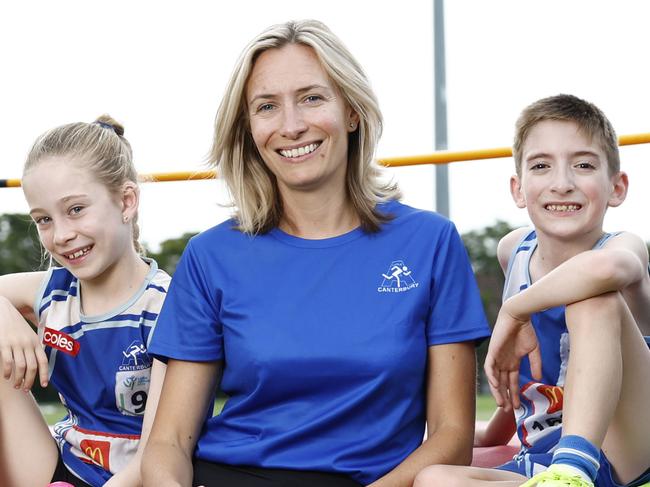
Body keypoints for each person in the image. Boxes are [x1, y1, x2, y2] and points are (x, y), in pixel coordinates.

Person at [141, 19, 490, 487]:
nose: (291, 125)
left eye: (312, 98)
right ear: (249, 128)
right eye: (267, 106)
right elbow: (170, 442)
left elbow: (450, 436)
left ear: (351, 111)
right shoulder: (211, 255)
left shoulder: (430, 242)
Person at [413, 94, 650, 487]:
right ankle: (563, 476)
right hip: (542, 457)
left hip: (627, 446)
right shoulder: (515, 252)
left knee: (592, 299)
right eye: (542, 166)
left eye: (584, 165)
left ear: (617, 187)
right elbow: (528, 368)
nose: (562, 183)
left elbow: (604, 270)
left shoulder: (622, 247)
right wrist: (492, 436)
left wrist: (513, 310)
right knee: (433, 479)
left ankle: (574, 470)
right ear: (519, 189)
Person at [0, 115, 171, 487]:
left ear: (127, 201)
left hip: (144, 474)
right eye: (43, 219)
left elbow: (162, 449)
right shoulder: (53, 290)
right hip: (67, 466)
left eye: (76, 209)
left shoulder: (167, 305)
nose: (61, 234)